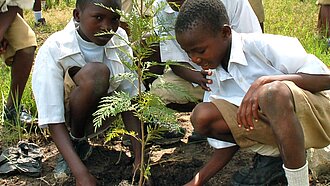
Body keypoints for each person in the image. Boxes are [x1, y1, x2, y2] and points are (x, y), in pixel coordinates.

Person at [174, 0, 330, 185]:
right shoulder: (216, 77)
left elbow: (325, 79)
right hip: (284, 134)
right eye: (188, 53)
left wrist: (266, 81)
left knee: (271, 93)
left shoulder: (262, 46)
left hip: (320, 118)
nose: (194, 59)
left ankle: (299, 183)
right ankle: (279, 159)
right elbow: (229, 142)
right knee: (202, 116)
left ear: (225, 33)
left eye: (200, 50)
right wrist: (197, 181)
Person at [32, 0, 143, 185]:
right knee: (96, 74)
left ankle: (81, 141)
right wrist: (81, 174)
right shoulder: (54, 48)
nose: (107, 27)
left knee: (103, 76)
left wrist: (140, 160)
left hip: (103, 114)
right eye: (98, 17)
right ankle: (76, 142)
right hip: (67, 118)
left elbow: (129, 100)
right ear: (77, 15)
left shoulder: (120, 38)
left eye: (115, 19)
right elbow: (53, 117)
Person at [151, 0, 261, 112]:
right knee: (159, 91)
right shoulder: (161, 8)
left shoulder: (232, 2)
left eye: (201, 50)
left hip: (241, 73)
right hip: (201, 78)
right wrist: (198, 78)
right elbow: (174, 58)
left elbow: (251, 45)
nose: (194, 58)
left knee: (206, 116)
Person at [0, 0, 36, 123]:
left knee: (27, 44)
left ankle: (12, 108)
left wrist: (1, 31)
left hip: (3, 12)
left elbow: (16, 3)